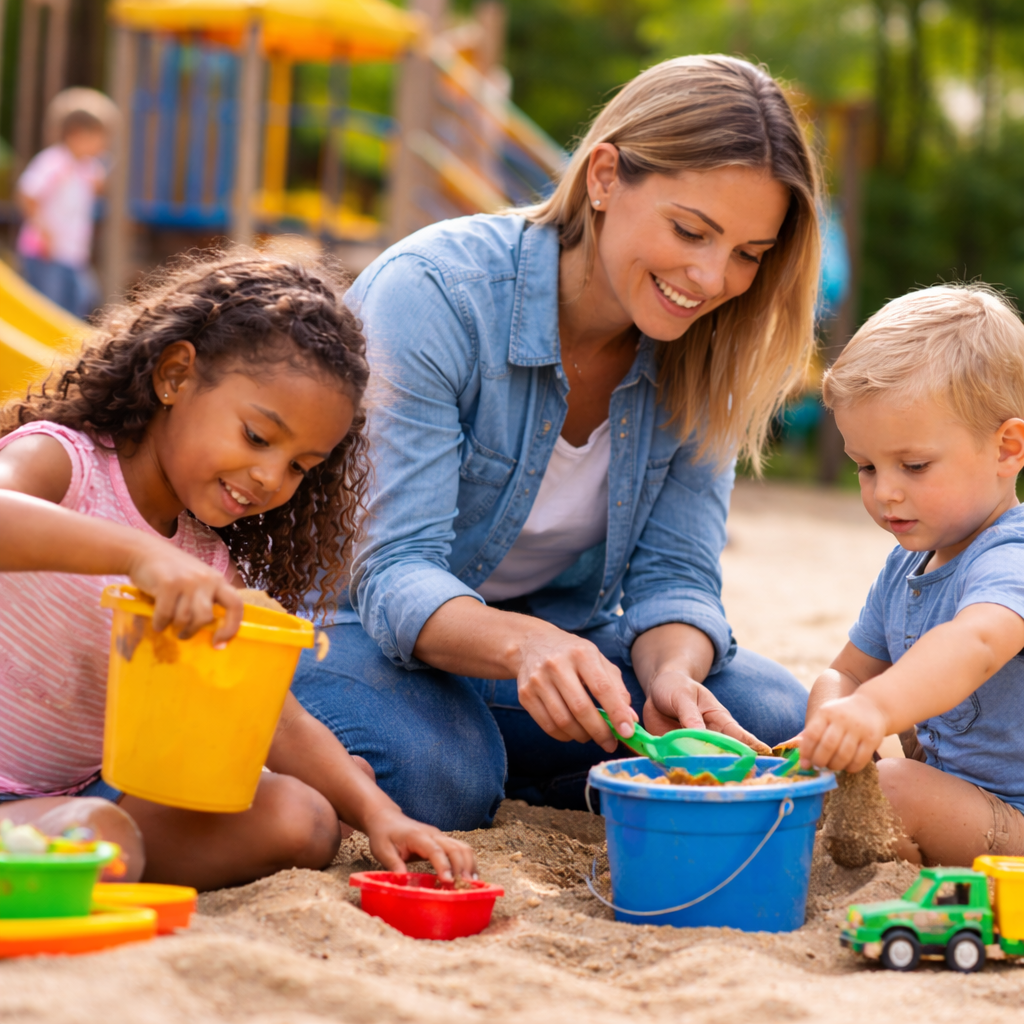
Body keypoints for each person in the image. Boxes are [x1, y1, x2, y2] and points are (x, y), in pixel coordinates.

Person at [292, 55, 821, 829]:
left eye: (749, 254)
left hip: (552, 650)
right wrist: (521, 647)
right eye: (690, 230)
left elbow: (674, 576)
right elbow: (393, 573)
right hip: (358, 632)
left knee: (774, 719)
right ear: (604, 176)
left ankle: (524, 759)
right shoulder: (435, 295)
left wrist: (672, 668)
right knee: (443, 777)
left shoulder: (711, 348)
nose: (711, 280)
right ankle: (505, 762)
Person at [0, 251, 476, 890]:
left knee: (304, 820)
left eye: (300, 465)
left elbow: (276, 717)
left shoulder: (207, 561)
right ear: (175, 376)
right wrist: (140, 556)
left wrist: (380, 814)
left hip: (83, 792)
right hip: (46, 800)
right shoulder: (65, 464)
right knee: (104, 843)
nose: (270, 478)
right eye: (257, 437)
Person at [799, 285, 1024, 866]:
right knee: (826, 783)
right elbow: (846, 670)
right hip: (955, 795)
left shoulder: (1011, 555)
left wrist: (875, 711)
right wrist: (831, 720)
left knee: (893, 787)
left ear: (1007, 448)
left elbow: (974, 642)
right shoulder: (907, 564)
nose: (886, 492)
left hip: (1013, 816)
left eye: (914, 465)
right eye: (866, 467)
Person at [15, 89, 115, 318]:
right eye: (99, 137)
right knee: (50, 307)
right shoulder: (55, 161)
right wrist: (44, 232)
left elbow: (95, 189)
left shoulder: (87, 167)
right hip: (46, 252)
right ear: (76, 135)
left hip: (72, 253)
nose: (103, 145)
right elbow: (28, 193)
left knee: (81, 300)